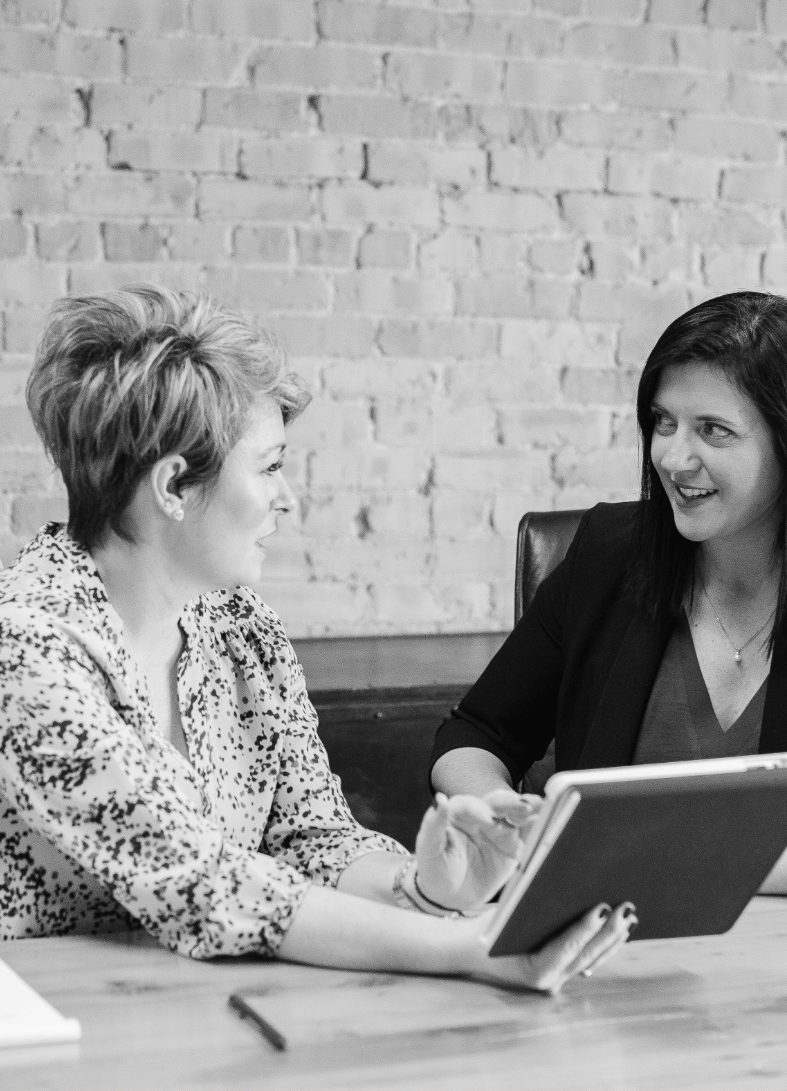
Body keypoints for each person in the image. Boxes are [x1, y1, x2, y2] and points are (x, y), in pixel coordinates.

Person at [0, 284, 636, 993]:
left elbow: (311, 838)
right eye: (270, 466)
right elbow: (207, 884)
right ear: (174, 485)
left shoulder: (241, 627)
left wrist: (423, 883)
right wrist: (465, 944)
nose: (289, 496)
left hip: (222, 1010)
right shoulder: (29, 648)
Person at [431, 291, 787, 905]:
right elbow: (476, 731)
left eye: (714, 430)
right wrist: (492, 812)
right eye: (663, 422)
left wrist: (668, 857)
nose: (674, 458)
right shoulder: (608, 552)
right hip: (599, 950)